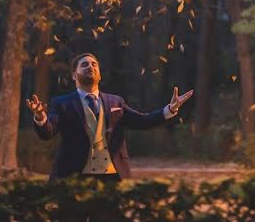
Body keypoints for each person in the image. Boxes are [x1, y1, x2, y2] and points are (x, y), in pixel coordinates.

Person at [26, 52, 194, 181]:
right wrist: (40, 116)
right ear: (74, 75)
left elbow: (143, 121)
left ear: (99, 74)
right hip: (74, 178)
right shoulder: (62, 103)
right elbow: (48, 132)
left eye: (94, 64)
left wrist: (170, 109)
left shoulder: (116, 102)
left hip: (112, 177)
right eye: (84, 65)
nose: (90, 67)